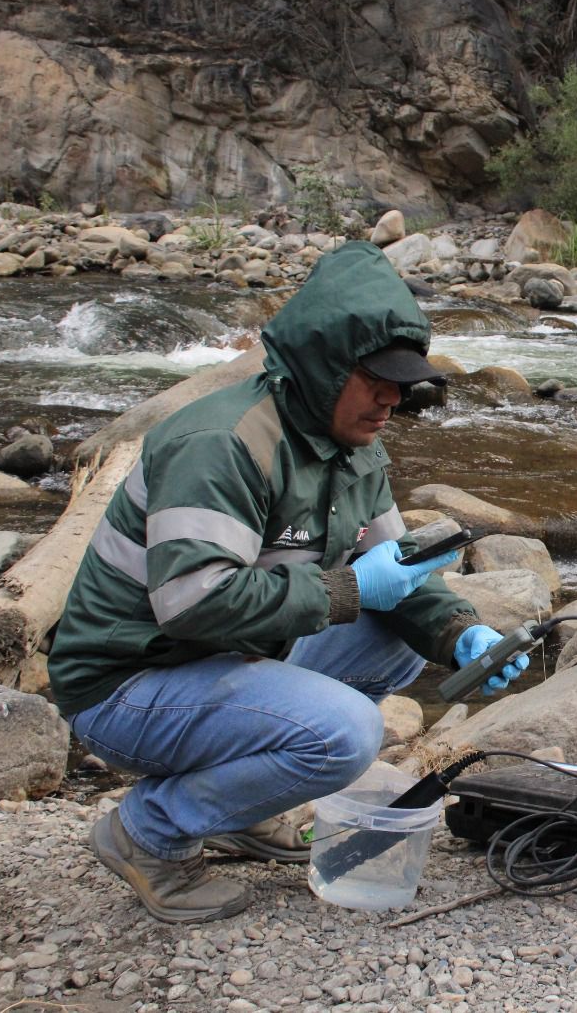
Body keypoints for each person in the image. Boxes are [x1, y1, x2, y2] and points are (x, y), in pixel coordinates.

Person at [47, 240, 530, 924]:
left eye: (403, 383)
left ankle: (241, 809)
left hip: (221, 660)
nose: (394, 399)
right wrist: (350, 592)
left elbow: (398, 574)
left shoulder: (354, 446)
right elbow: (193, 602)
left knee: (396, 641)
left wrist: (462, 637)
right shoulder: (224, 444)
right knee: (345, 733)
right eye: (377, 381)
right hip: (126, 683)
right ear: (322, 367)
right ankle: (149, 832)